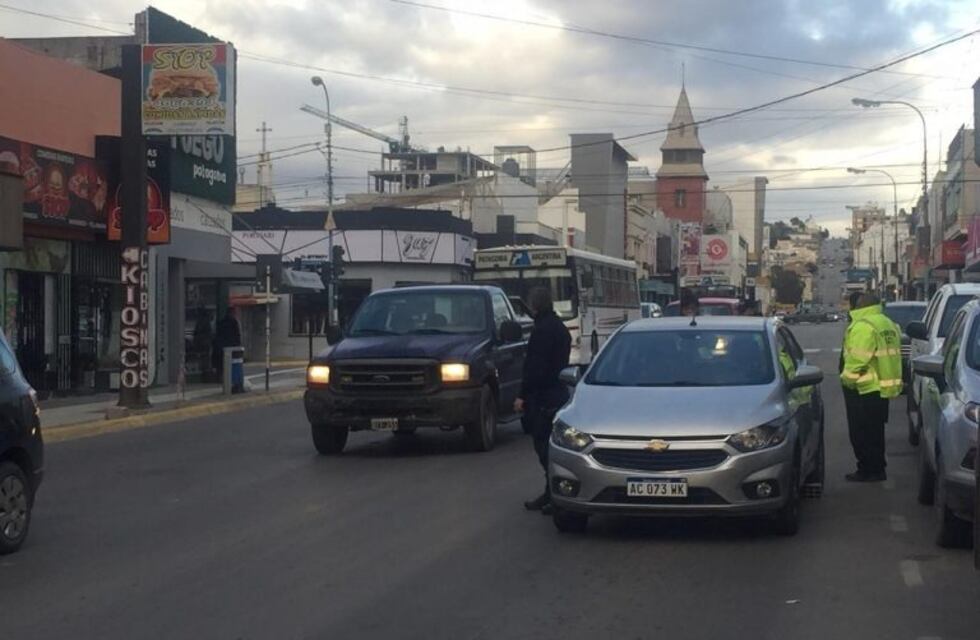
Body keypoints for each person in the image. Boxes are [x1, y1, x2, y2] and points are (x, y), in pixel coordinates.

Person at [516, 287, 572, 513]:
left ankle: (554, 494)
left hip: (543, 396)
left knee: (543, 446)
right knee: (551, 445)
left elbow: (534, 368)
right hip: (558, 392)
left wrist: (522, 395)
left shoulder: (542, 330)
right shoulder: (559, 327)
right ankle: (552, 492)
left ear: (535, 305)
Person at [840, 292, 903, 482]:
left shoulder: (863, 326)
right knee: (876, 432)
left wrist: (847, 379)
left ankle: (867, 470)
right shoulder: (887, 323)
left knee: (861, 433)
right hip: (881, 388)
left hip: (863, 388)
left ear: (860, 306)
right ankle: (877, 468)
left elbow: (858, 359)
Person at [212, 308, 243, 377]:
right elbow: (237, 336)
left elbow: (216, 336)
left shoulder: (221, 323)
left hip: (220, 349)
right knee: (231, 368)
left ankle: (221, 377)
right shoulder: (234, 323)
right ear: (232, 313)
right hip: (231, 349)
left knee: (221, 367)